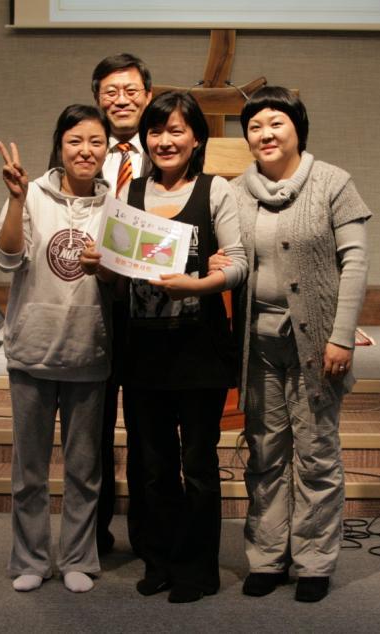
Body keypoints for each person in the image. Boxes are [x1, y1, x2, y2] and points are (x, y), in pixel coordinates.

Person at [219, 86, 372, 603]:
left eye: (275, 122)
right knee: (264, 453)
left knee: (315, 454)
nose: (265, 133)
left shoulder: (333, 182)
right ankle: (266, 557)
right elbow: (230, 256)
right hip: (256, 345)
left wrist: (342, 335)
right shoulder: (234, 191)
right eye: (255, 126)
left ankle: (314, 563)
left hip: (317, 346)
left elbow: (355, 263)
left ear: (297, 128)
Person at [118, 90, 247, 603]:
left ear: (196, 138)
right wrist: (98, 264)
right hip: (142, 351)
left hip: (199, 351)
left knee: (197, 464)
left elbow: (237, 263)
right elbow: (117, 266)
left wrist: (197, 285)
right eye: (155, 131)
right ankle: (160, 561)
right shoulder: (130, 192)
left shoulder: (217, 191)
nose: (165, 141)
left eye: (176, 130)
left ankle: (197, 570)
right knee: (152, 465)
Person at [0, 104, 113, 594]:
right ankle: (31, 558)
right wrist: (16, 201)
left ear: (107, 150)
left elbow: (124, 277)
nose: (85, 150)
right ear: (59, 147)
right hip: (32, 349)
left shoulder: (116, 204)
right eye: (75, 141)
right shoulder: (31, 193)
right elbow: (7, 258)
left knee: (84, 471)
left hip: (89, 350)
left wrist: (106, 266)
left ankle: (79, 558)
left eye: (96, 142)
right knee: (29, 472)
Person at [90, 53, 153, 556]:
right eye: (111, 91)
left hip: (153, 308)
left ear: (148, 96)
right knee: (94, 424)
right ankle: (93, 533)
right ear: (97, 98)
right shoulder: (86, 150)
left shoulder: (168, 150)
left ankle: (150, 536)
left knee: (148, 426)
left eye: (131, 90)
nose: (122, 100)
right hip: (95, 305)